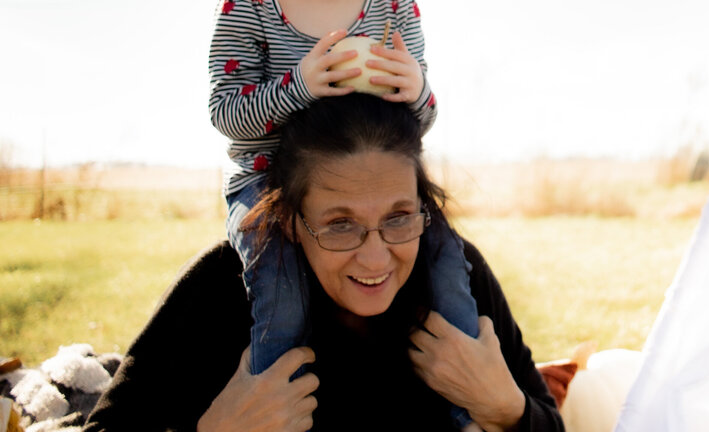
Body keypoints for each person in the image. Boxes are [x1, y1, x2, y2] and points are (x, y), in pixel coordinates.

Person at [206, 0, 479, 425]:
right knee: (279, 290)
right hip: (268, 187)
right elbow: (226, 114)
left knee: (448, 268)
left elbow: (417, 127)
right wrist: (299, 85)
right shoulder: (250, 7)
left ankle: (467, 413)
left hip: (375, 193)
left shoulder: (395, 9)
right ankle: (277, 414)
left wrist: (417, 92)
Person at [84, 95, 564, 432]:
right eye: (340, 224)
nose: (376, 257)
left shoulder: (456, 277)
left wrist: (507, 408)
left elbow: (548, 421)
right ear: (291, 221)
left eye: (399, 217)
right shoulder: (225, 285)